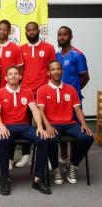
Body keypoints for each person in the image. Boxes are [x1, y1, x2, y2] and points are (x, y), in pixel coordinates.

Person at [0, 66, 51, 195]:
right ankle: (5, 178)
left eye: (16, 74)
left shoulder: (27, 92)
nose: (13, 76)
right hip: (7, 126)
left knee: (43, 139)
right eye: (10, 74)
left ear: (20, 77)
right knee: (2, 139)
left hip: (24, 126)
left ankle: (38, 179)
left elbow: (35, 110)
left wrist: (40, 127)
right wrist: (1, 127)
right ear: (6, 77)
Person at [37, 60, 94, 185]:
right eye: (52, 69)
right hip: (53, 124)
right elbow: (40, 111)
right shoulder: (42, 90)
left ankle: (73, 165)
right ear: (48, 72)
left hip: (70, 123)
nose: (56, 72)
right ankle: (56, 167)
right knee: (50, 139)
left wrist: (84, 124)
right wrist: (47, 126)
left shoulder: (71, 89)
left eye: (58, 69)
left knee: (88, 137)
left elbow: (77, 109)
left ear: (62, 71)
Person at [17, 21, 56, 168]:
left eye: (34, 30)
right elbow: (20, 72)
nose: (31, 32)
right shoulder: (21, 49)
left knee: (46, 124)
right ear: (26, 32)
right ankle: (26, 155)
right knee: (26, 124)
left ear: (38, 31)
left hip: (43, 92)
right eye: (28, 30)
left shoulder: (49, 48)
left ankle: (47, 157)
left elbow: (53, 70)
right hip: (26, 92)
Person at [56, 26, 91, 164]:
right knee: (62, 130)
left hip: (73, 102)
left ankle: (73, 161)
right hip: (59, 102)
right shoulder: (57, 55)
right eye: (59, 35)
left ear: (71, 37)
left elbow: (85, 77)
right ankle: (63, 158)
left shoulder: (78, 55)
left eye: (65, 34)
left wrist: (73, 92)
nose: (62, 37)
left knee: (75, 130)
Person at [0, 20, 24, 88]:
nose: (2, 32)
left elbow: (20, 70)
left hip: (10, 88)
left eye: (5, 30)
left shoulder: (15, 48)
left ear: (9, 31)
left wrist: (15, 85)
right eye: (0, 29)